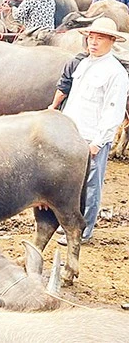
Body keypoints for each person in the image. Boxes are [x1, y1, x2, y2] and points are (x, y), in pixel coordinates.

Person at [58, 17, 129, 246]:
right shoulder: (83, 64)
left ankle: (84, 230)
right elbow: (74, 100)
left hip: (92, 137)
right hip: (72, 133)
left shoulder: (116, 73)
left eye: (100, 38)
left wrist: (99, 141)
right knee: (71, 183)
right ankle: (69, 225)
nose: (94, 43)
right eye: (91, 38)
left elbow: (113, 111)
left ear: (112, 41)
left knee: (90, 185)